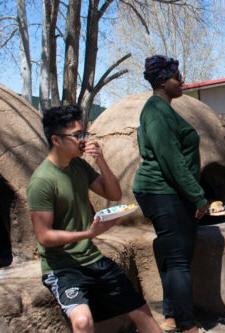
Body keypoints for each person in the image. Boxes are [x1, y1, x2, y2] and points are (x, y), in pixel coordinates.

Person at [27, 105, 161, 333]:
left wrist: (101, 161)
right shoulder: (42, 181)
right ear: (56, 140)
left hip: (92, 258)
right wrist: (89, 233)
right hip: (62, 267)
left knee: (142, 312)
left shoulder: (78, 165)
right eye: (77, 135)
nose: (83, 140)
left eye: (84, 134)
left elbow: (113, 194)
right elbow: (44, 236)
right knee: (82, 321)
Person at [133, 56, 208, 333]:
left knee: (172, 256)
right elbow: (171, 160)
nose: (183, 81)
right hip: (161, 191)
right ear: (164, 82)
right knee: (178, 259)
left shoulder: (162, 109)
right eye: (178, 77)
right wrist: (198, 197)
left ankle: (172, 316)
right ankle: (187, 325)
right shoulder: (155, 112)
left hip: (167, 191)